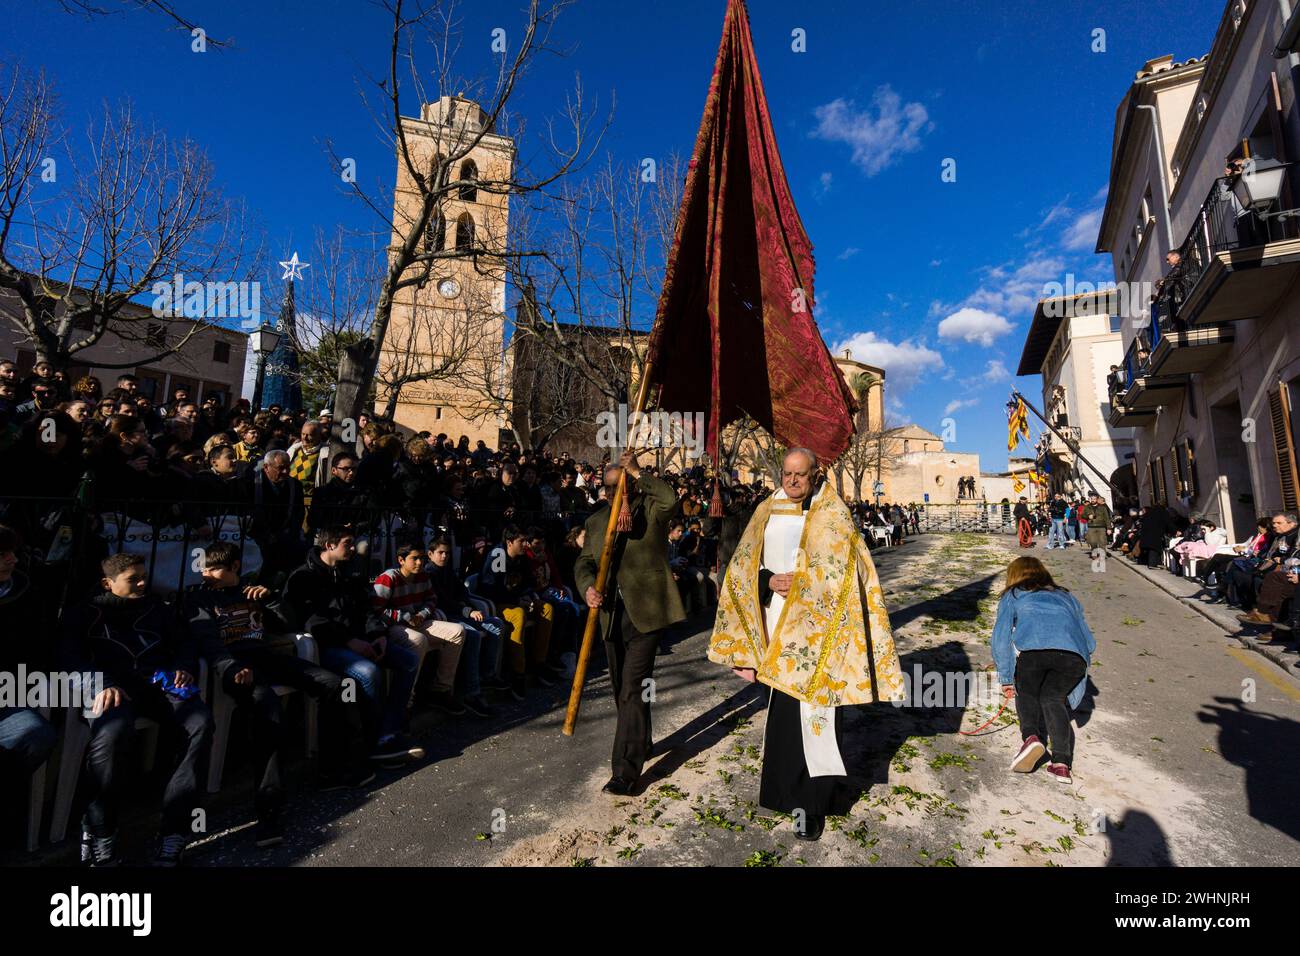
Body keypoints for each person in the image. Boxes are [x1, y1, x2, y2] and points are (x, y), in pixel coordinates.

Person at [710, 448, 905, 841]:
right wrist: (767, 581)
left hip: (821, 633)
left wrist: (811, 587)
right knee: (784, 719)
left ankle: (814, 805)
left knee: (819, 721)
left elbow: (853, 572)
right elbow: (742, 565)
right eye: (787, 473)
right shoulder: (767, 510)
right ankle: (785, 796)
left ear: (816, 475)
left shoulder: (833, 515)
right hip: (779, 629)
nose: (792, 481)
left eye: (801, 474)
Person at [189, 542, 374, 844]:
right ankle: (268, 810)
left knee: (336, 685)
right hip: (231, 666)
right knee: (268, 707)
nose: (206, 574)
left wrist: (272, 600)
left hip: (265, 657)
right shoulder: (199, 598)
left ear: (234, 567)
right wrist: (231, 666)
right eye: (204, 568)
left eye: (213, 569)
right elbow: (206, 639)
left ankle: (331, 771)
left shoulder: (253, 592)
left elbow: (289, 625)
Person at [60, 553, 214, 866]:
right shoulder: (85, 614)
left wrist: (183, 666)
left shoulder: (157, 608)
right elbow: (68, 656)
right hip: (111, 689)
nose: (143, 583)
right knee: (113, 734)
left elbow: (185, 642)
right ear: (108, 583)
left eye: (144, 576)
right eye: (133, 579)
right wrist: (99, 683)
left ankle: (175, 830)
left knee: (199, 722)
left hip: (157, 684)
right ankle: (100, 831)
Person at [575, 449, 685, 796]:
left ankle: (625, 772)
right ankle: (642, 738)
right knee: (622, 688)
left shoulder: (650, 511)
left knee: (632, 688)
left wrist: (637, 472)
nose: (612, 493)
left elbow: (669, 498)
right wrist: (588, 589)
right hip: (611, 617)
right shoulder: (596, 522)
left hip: (647, 614)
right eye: (607, 489)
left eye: (618, 486)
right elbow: (584, 563)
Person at [281, 527, 425, 765]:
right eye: (347, 544)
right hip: (327, 646)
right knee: (368, 672)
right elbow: (313, 623)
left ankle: (389, 731)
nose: (353, 548)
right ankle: (374, 742)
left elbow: (366, 607)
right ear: (329, 545)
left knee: (408, 660)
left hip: (362, 640)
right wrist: (349, 642)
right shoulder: (305, 577)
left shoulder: (350, 570)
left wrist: (377, 634)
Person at [992, 557, 1095, 785]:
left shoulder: (1014, 594)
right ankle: (1061, 764)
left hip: (1034, 652)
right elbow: (1090, 642)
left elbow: (1001, 638)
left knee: (1026, 692)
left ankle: (1031, 738)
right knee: (1052, 699)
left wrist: (1007, 677)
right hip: (1073, 656)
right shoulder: (1066, 595)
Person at [371, 541, 472, 716]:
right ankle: (405, 701)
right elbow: (376, 609)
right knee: (418, 640)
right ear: (401, 560)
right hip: (393, 627)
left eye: (422, 559)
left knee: (457, 631)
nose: (419, 563)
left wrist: (422, 615)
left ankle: (441, 690)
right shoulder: (388, 578)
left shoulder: (423, 576)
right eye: (414, 559)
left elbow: (432, 599)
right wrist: (405, 617)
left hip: (418, 621)